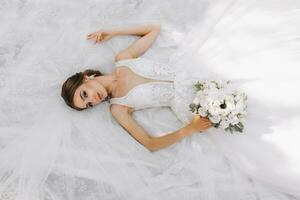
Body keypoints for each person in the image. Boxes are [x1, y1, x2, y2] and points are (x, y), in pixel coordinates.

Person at [61, 24, 212, 152]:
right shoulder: (118, 108)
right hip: (194, 104)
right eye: (89, 105)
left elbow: (154, 29)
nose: (92, 100)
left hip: (195, 69)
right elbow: (150, 143)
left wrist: (114, 32)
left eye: (84, 94)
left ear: (86, 77)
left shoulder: (123, 59)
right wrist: (190, 129)